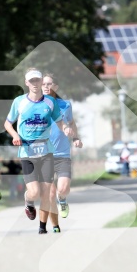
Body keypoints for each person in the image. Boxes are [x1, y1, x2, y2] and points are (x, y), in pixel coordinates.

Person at [4, 68, 72, 233]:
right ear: (27, 83)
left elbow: (59, 121)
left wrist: (66, 129)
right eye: (31, 81)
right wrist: (14, 135)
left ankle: (42, 228)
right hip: (27, 153)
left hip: (47, 152)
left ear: (41, 82)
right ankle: (28, 203)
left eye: (37, 80)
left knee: (47, 192)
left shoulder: (50, 102)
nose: (35, 83)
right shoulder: (19, 102)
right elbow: (7, 123)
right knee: (33, 192)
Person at [41, 73, 83, 233]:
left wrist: (76, 138)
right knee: (49, 195)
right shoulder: (36, 105)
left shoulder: (65, 105)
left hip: (63, 154)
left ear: (56, 87)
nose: (45, 86)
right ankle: (55, 226)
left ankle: (63, 200)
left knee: (63, 189)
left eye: (49, 84)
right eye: (43, 84)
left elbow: (71, 123)